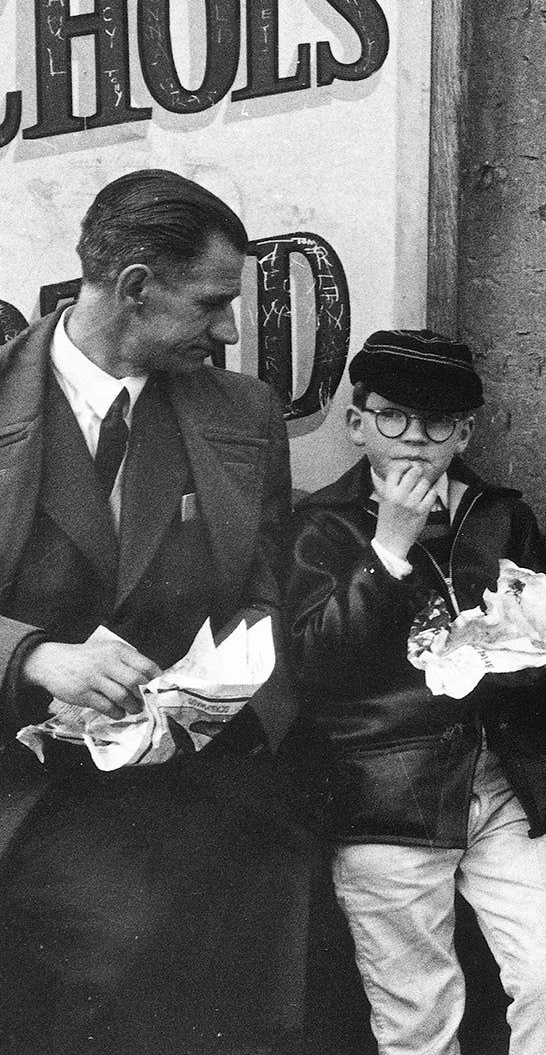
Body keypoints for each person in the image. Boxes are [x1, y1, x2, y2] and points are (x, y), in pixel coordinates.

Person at [0, 169, 313, 1055]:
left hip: (195, 779)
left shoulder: (242, 413)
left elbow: (260, 590)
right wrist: (30, 659)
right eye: (213, 302)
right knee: (109, 960)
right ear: (134, 286)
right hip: (23, 788)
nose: (231, 330)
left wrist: (208, 698)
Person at [287, 329, 546, 1055]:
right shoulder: (321, 526)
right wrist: (388, 546)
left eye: (439, 424)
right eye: (391, 417)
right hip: (384, 797)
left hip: (498, 783)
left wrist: (540, 650)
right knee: (418, 1019)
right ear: (356, 424)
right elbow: (311, 660)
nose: (413, 440)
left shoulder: (501, 515)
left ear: (466, 433)